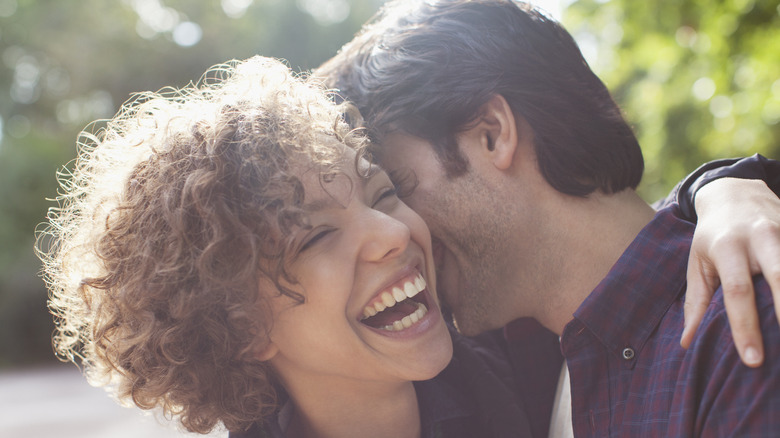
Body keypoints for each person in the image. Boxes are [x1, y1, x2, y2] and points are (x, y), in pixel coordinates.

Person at [315, 0, 780, 436]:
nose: (397, 230)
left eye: (395, 187)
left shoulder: (742, 329)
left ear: (493, 135)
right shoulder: (512, 372)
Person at [37, 56, 531, 437]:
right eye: (315, 237)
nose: (394, 233)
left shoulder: (546, 387)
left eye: (383, 194)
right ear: (241, 326)